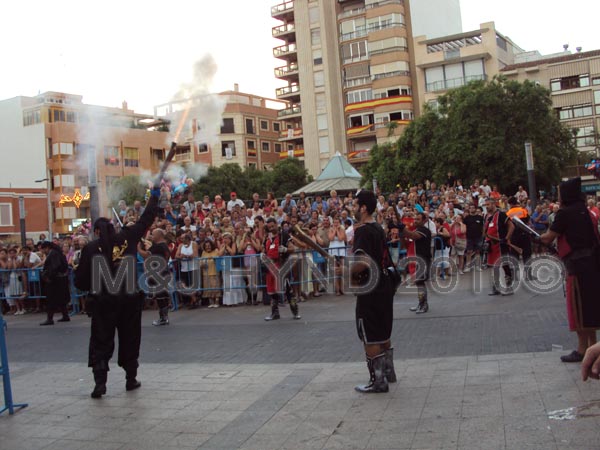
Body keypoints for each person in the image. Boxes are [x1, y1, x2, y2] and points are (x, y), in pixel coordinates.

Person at [75, 187, 160, 399]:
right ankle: (130, 379)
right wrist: (155, 196)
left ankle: (100, 383)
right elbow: (146, 219)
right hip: (129, 299)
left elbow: (81, 281)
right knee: (130, 337)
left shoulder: (91, 248)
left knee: (100, 340)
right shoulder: (128, 237)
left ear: (96, 231)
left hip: (103, 302)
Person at [539, 177, 600, 363]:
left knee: (578, 308)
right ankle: (592, 346)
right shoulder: (587, 211)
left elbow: (548, 237)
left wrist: (537, 237)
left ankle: (583, 349)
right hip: (593, 264)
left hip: (577, 266)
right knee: (591, 307)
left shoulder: (565, 213)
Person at [349, 190, 396, 393]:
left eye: (354, 204)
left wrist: (345, 270)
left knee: (369, 335)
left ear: (363, 208)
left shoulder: (363, 231)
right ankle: (388, 373)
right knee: (383, 331)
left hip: (370, 288)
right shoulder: (377, 228)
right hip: (384, 285)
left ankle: (378, 381)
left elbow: (362, 263)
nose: (352, 208)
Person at [263, 217, 300, 321]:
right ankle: (275, 314)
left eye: (272, 226)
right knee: (272, 292)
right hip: (270, 267)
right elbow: (264, 250)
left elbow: (293, 248)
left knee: (288, 290)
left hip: (282, 266)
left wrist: (285, 249)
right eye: (269, 227)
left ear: (276, 224)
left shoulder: (283, 235)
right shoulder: (267, 238)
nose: (271, 228)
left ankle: (295, 312)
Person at [138, 228, 171, 326]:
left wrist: (138, 248)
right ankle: (164, 317)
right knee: (163, 296)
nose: (152, 236)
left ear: (159, 235)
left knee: (160, 296)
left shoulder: (158, 246)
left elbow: (146, 255)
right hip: (164, 272)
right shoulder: (164, 246)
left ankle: (163, 318)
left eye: (153, 234)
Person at [401, 213, 432, 313]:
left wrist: (403, 228)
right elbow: (405, 245)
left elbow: (413, 236)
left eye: (418, 219)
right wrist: (401, 235)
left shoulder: (425, 230)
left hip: (422, 260)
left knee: (420, 283)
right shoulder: (413, 230)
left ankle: (424, 305)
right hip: (414, 260)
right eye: (415, 219)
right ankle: (421, 303)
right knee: (419, 284)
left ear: (424, 221)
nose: (415, 221)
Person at [484, 198, 515, 296]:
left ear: (493, 204)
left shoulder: (501, 214)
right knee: (494, 266)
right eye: (486, 205)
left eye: (488, 204)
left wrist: (506, 238)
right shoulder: (487, 216)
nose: (487, 206)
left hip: (501, 244)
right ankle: (496, 287)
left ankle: (509, 287)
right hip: (491, 245)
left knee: (505, 265)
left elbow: (511, 226)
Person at [38, 242, 71, 325]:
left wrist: (49, 275)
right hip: (60, 279)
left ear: (47, 248)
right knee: (61, 299)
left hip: (55, 280)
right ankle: (65, 315)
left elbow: (55, 266)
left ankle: (50, 318)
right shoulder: (58, 253)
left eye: (43, 249)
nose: (43, 251)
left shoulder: (53, 254)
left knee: (51, 299)